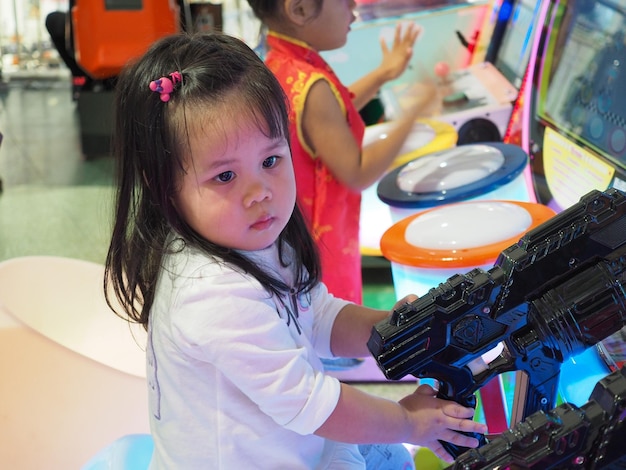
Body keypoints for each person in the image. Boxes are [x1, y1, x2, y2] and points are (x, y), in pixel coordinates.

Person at [104, 32, 486, 469]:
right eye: (224, 177)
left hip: (297, 444)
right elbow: (313, 405)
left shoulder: (252, 237)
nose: (259, 193)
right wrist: (407, 422)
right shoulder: (211, 294)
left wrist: (394, 329)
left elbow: (315, 314)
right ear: (164, 188)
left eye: (270, 161)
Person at [246, 0, 438, 306]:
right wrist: (414, 114)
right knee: (334, 328)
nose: (355, 8)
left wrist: (383, 74)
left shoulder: (279, 61)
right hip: (325, 252)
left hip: (297, 240)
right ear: (299, 10)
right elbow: (357, 171)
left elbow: (332, 112)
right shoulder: (314, 84)